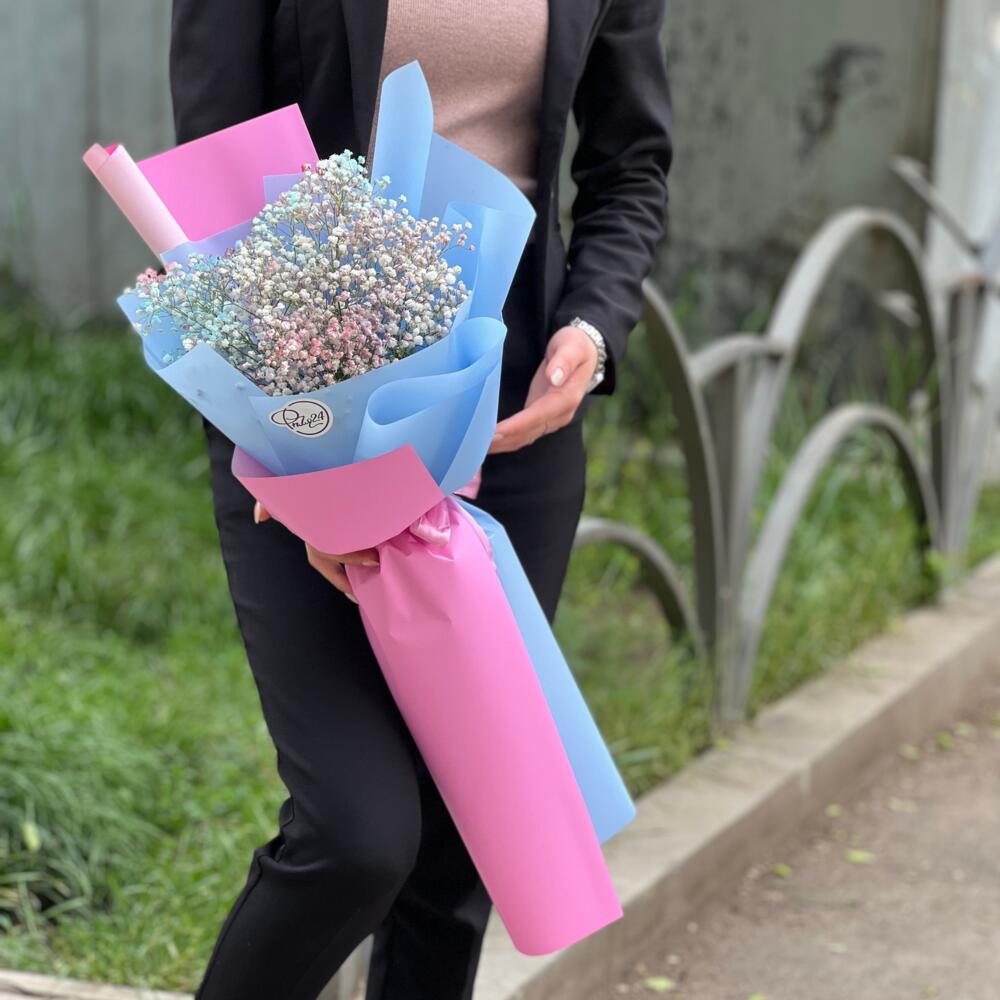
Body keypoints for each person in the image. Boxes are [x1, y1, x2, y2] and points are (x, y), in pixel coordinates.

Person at [168, 1, 672, 997]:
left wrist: (591, 328)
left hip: (508, 421)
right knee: (356, 836)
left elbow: (630, 164)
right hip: (306, 409)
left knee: (454, 853)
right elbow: (216, 173)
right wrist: (313, 467)